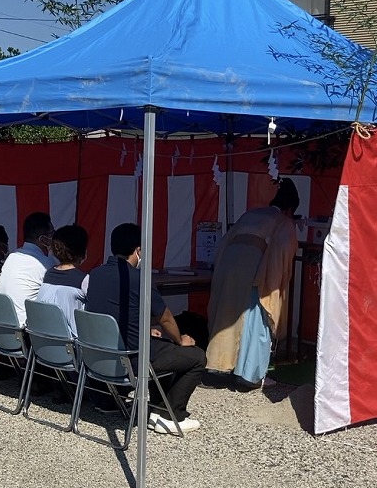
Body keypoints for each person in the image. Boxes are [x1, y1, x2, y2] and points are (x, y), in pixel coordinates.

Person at [85, 222, 206, 436]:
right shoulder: (139, 278)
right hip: (131, 361)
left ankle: (154, 409)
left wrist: (145, 328)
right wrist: (180, 340)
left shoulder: (95, 274)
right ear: (138, 250)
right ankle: (169, 415)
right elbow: (165, 317)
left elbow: (110, 314)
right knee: (195, 356)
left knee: (163, 347)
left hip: (99, 357)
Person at [205, 177, 300, 388]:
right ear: (290, 208)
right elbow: (282, 254)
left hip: (228, 264)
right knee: (256, 320)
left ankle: (217, 368)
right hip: (255, 268)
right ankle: (249, 375)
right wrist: (273, 282)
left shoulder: (249, 214)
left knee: (226, 317)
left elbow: (225, 242)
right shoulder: (283, 222)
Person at [0, 211, 55, 327]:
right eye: (52, 233)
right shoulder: (46, 263)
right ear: (43, 239)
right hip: (24, 332)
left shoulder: (12, 257)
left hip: (1, 327)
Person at [36, 224, 89, 336]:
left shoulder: (48, 275)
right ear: (82, 251)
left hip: (44, 342)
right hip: (71, 345)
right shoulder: (83, 280)